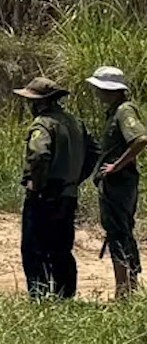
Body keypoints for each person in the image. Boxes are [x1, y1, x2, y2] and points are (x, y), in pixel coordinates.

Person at [15, 77, 90, 300]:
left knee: (34, 248)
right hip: (68, 195)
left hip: (45, 195)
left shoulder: (43, 124)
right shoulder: (75, 122)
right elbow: (94, 153)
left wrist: (36, 185)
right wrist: (75, 178)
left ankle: (38, 297)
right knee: (61, 248)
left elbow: (39, 154)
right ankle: (64, 296)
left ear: (40, 103)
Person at [89, 66, 147, 299]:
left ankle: (124, 291)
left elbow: (141, 138)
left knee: (118, 234)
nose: (96, 92)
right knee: (121, 232)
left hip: (119, 183)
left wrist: (116, 166)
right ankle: (128, 288)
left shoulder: (124, 110)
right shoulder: (116, 110)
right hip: (117, 183)